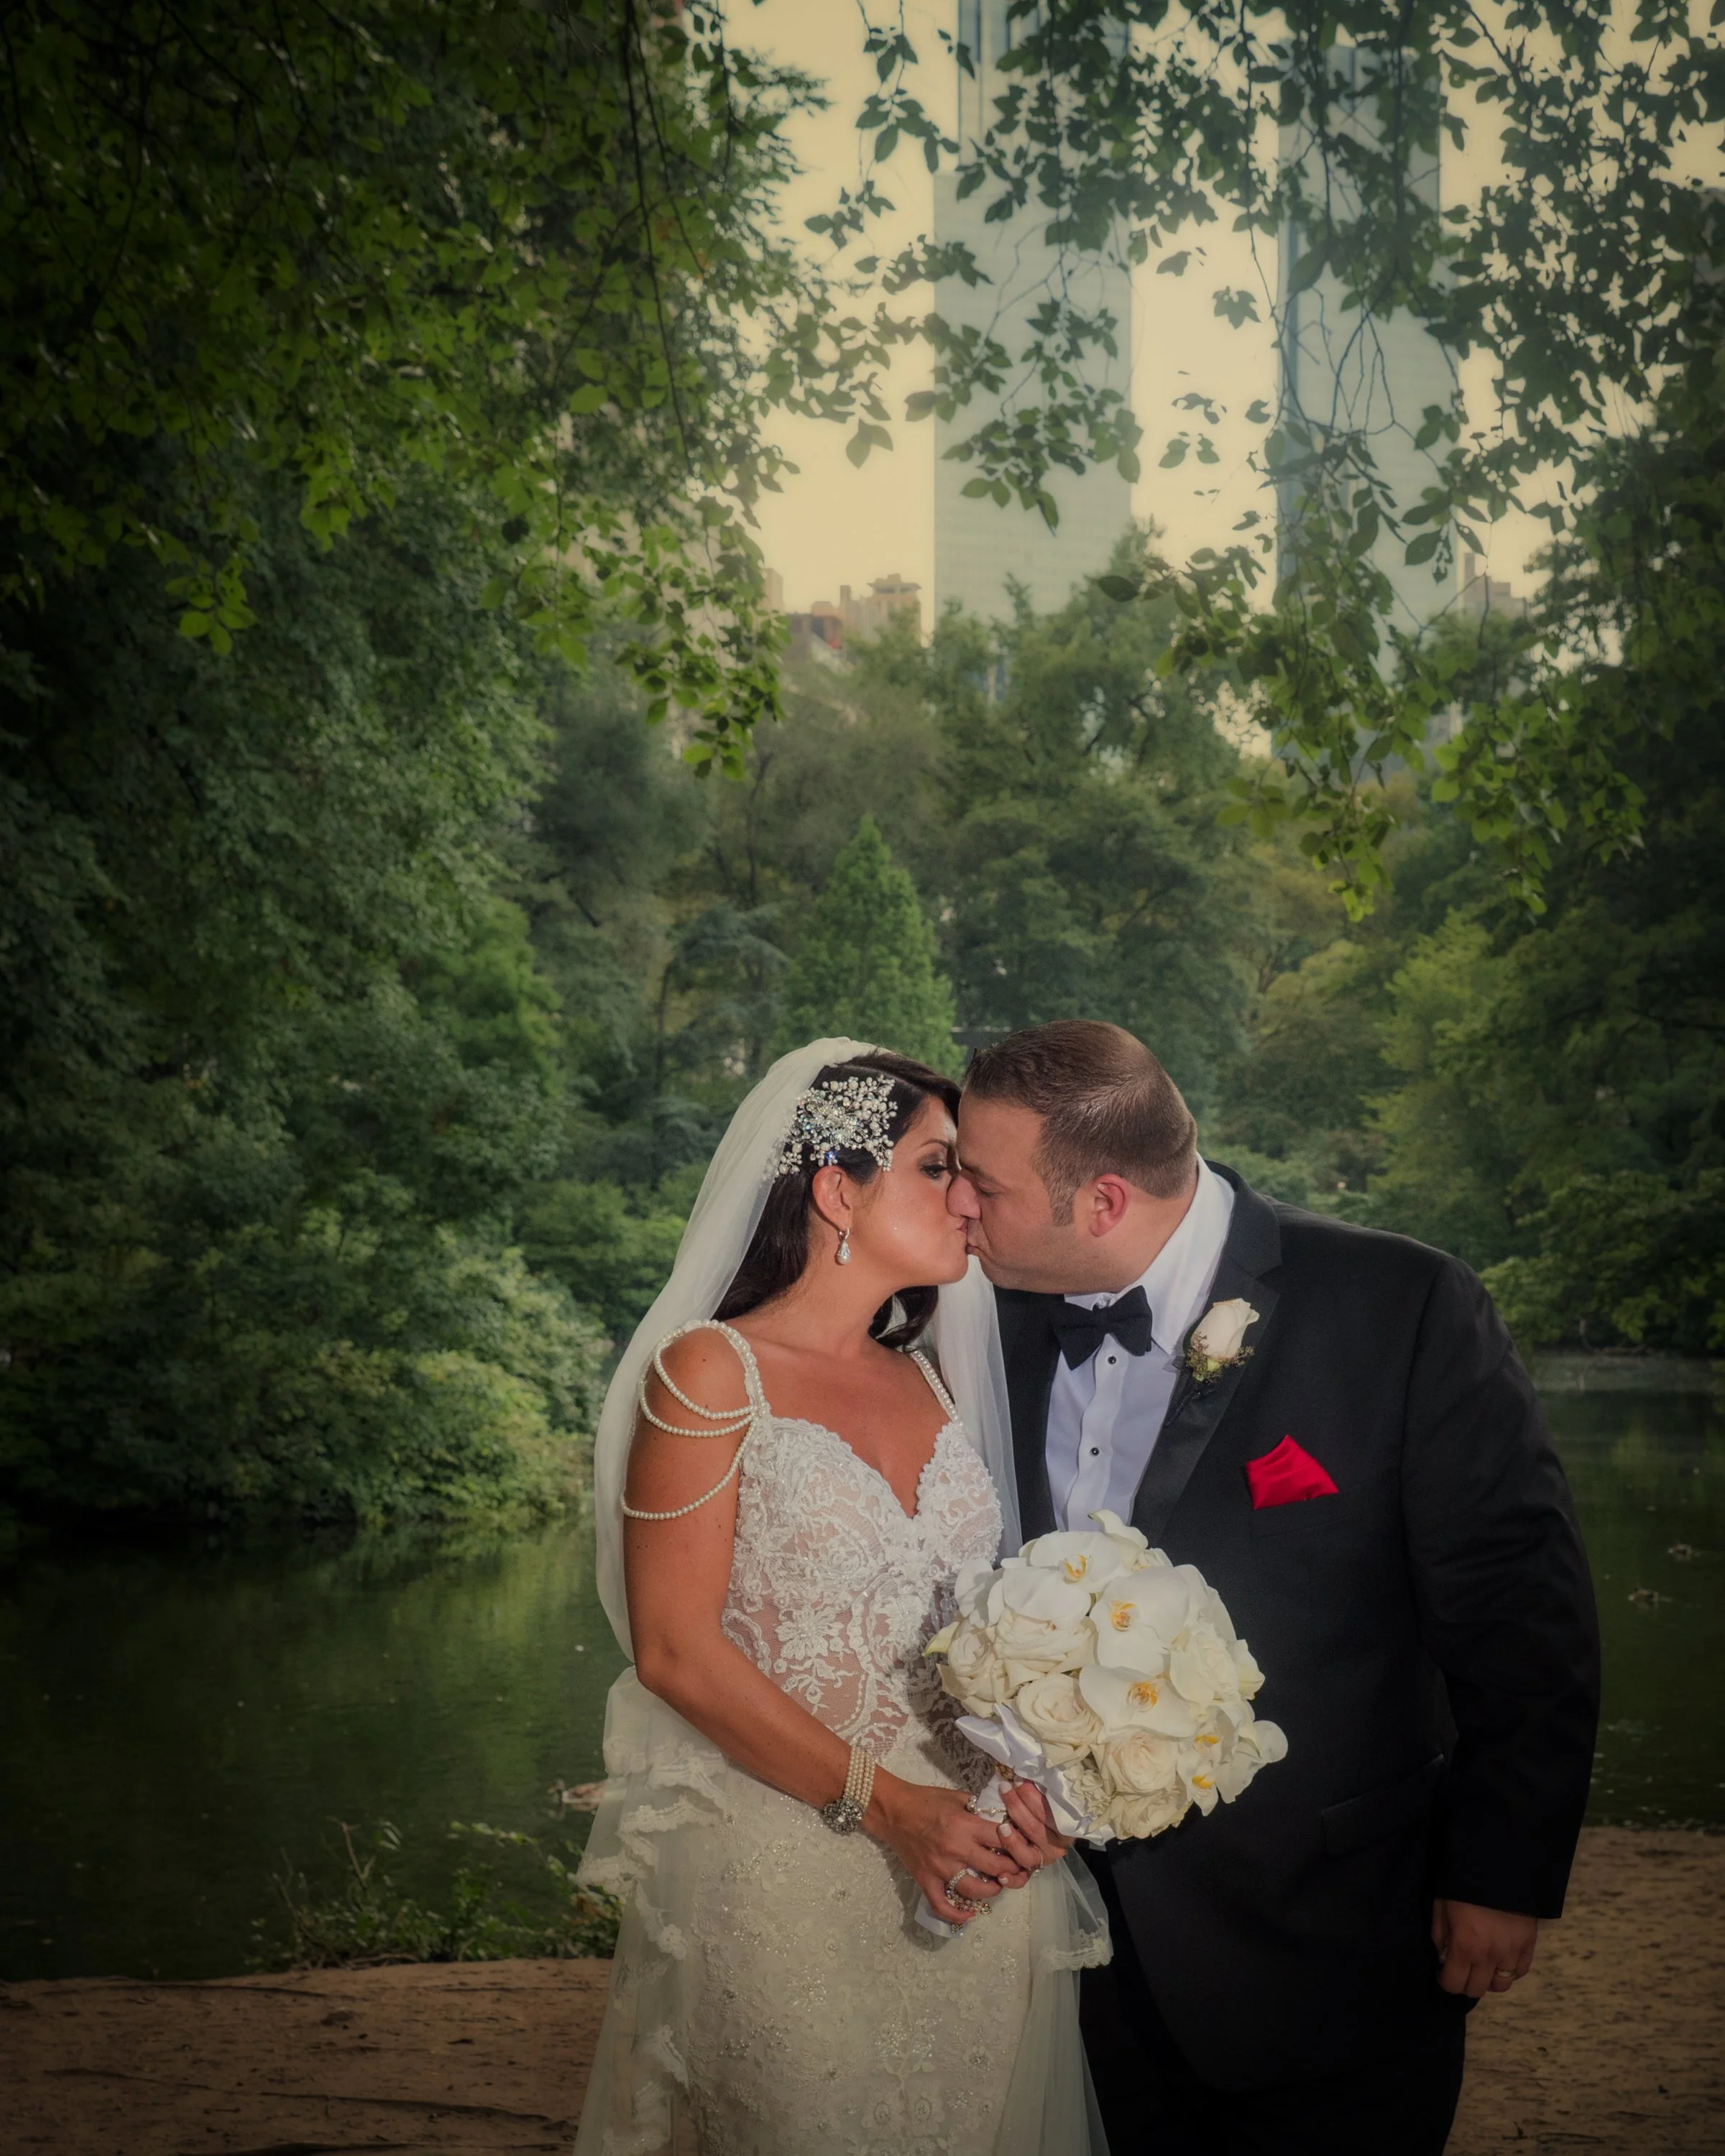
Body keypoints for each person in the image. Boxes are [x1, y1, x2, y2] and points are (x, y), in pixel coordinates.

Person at [947, 1018, 1601, 2156]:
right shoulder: (971, 1317)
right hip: (1050, 1950)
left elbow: (1518, 1614)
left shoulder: (1400, 1306)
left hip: (1329, 1936)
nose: (958, 1205)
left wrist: (1504, 1873)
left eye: (982, 1184)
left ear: (1103, 1202)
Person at [574, 1038, 1111, 2156]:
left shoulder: (937, 1379)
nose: (968, 1199)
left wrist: (1036, 1781)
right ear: (836, 1192)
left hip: (970, 1873)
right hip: (790, 1866)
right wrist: (893, 1809)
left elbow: (994, 1623)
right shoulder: (710, 1372)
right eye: (937, 1167)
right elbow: (674, 1650)